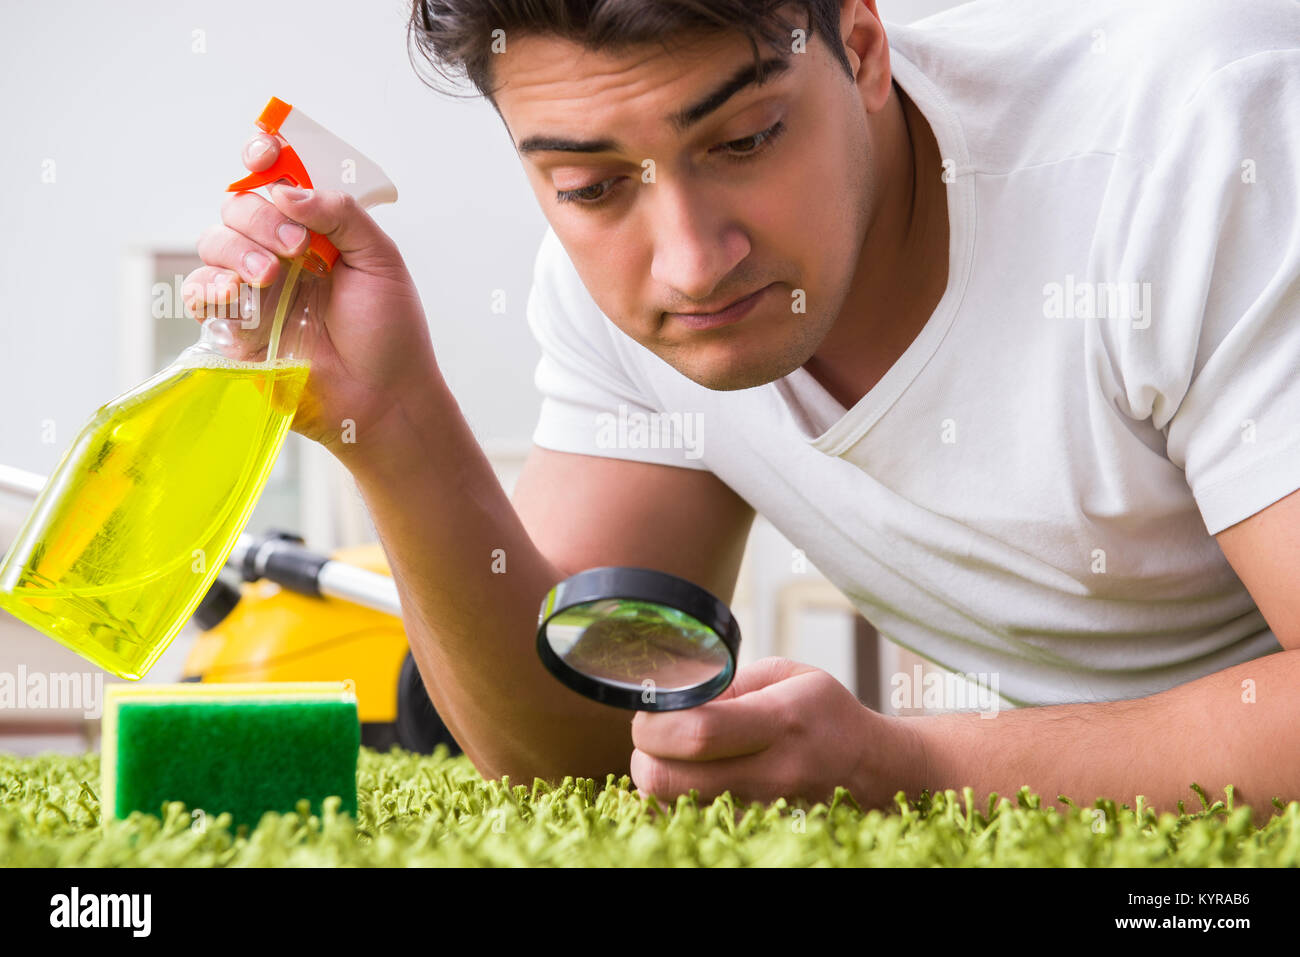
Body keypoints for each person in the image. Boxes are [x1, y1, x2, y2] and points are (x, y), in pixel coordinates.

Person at [184, 0, 1300, 826]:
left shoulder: (1204, 141)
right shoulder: (598, 300)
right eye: (589, 185)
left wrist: (915, 769)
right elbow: (578, 738)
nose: (689, 263)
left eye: (745, 139)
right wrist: (390, 423)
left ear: (862, 47)